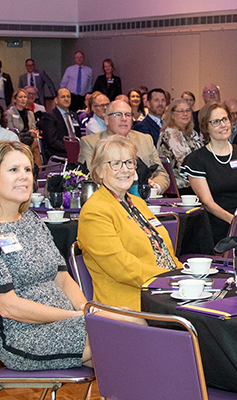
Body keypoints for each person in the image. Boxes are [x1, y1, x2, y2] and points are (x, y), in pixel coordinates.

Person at [0, 141, 89, 371]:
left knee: (128, 325)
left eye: (27, 170)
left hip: (68, 323)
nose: (24, 177)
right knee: (118, 334)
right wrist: (74, 318)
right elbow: (8, 306)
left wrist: (86, 310)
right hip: (24, 338)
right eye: (13, 170)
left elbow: (62, 278)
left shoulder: (31, 220)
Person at [79, 135, 179, 310]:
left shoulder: (137, 202)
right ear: (99, 171)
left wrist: (186, 273)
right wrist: (172, 278)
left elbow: (164, 252)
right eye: (115, 164)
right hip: (130, 305)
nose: (125, 170)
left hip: (164, 293)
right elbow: (122, 267)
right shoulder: (94, 211)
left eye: (129, 162)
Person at [183, 104, 237, 237]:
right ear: (205, 127)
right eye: (215, 122)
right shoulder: (196, 160)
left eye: (225, 119)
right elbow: (208, 203)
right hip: (213, 223)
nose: (223, 125)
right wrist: (234, 221)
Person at [78, 99, 170, 196]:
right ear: (106, 119)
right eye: (117, 114)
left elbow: (162, 174)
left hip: (146, 201)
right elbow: (90, 178)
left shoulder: (145, 140)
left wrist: (154, 187)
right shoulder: (90, 143)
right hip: (110, 200)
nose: (124, 119)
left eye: (128, 115)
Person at [157, 97, 202, 191]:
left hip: (195, 182)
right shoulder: (170, 133)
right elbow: (183, 163)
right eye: (181, 111)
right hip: (181, 187)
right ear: (172, 115)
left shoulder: (192, 133)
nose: (185, 114)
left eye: (188, 110)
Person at [37, 89, 81, 163]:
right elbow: (52, 141)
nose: (66, 99)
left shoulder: (74, 115)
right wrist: (71, 148)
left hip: (76, 151)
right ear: (56, 100)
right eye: (63, 97)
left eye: (68, 97)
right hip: (59, 153)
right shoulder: (49, 117)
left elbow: (78, 135)